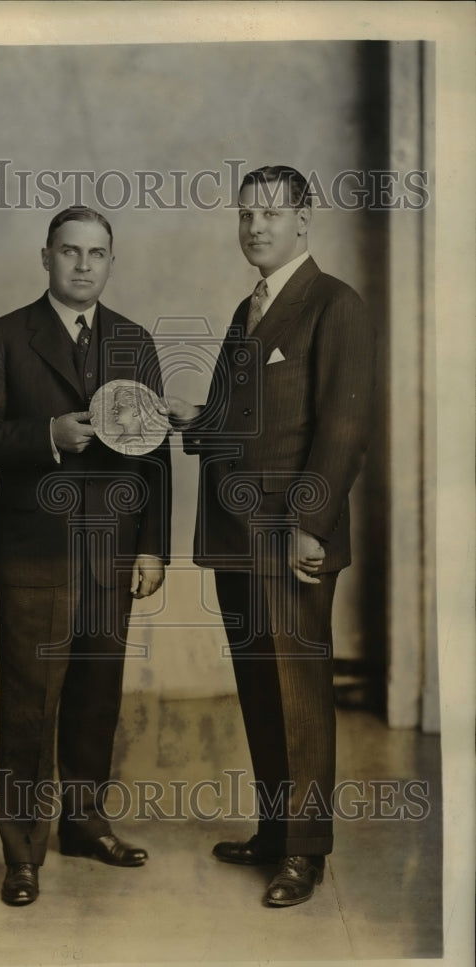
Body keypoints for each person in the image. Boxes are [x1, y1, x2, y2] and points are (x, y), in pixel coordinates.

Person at [163, 166, 375, 907]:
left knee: (299, 690)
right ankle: (275, 829)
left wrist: (309, 528)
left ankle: (305, 853)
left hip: (290, 537)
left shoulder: (333, 304)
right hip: (233, 534)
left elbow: (342, 430)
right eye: (245, 213)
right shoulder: (245, 308)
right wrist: (200, 421)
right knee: (259, 686)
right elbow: (244, 420)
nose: (255, 226)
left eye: (271, 214)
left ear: (302, 223)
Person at [0, 206, 171, 906]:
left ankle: (84, 822)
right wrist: (46, 434)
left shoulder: (134, 343)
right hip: (33, 553)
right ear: (44, 256)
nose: (83, 265)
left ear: (112, 262)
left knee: (94, 699)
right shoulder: (4, 336)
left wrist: (153, 550)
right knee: (27, 707)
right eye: (70, 252)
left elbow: (156, 459)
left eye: (97, 254)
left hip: (111, 555)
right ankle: (23, 852)